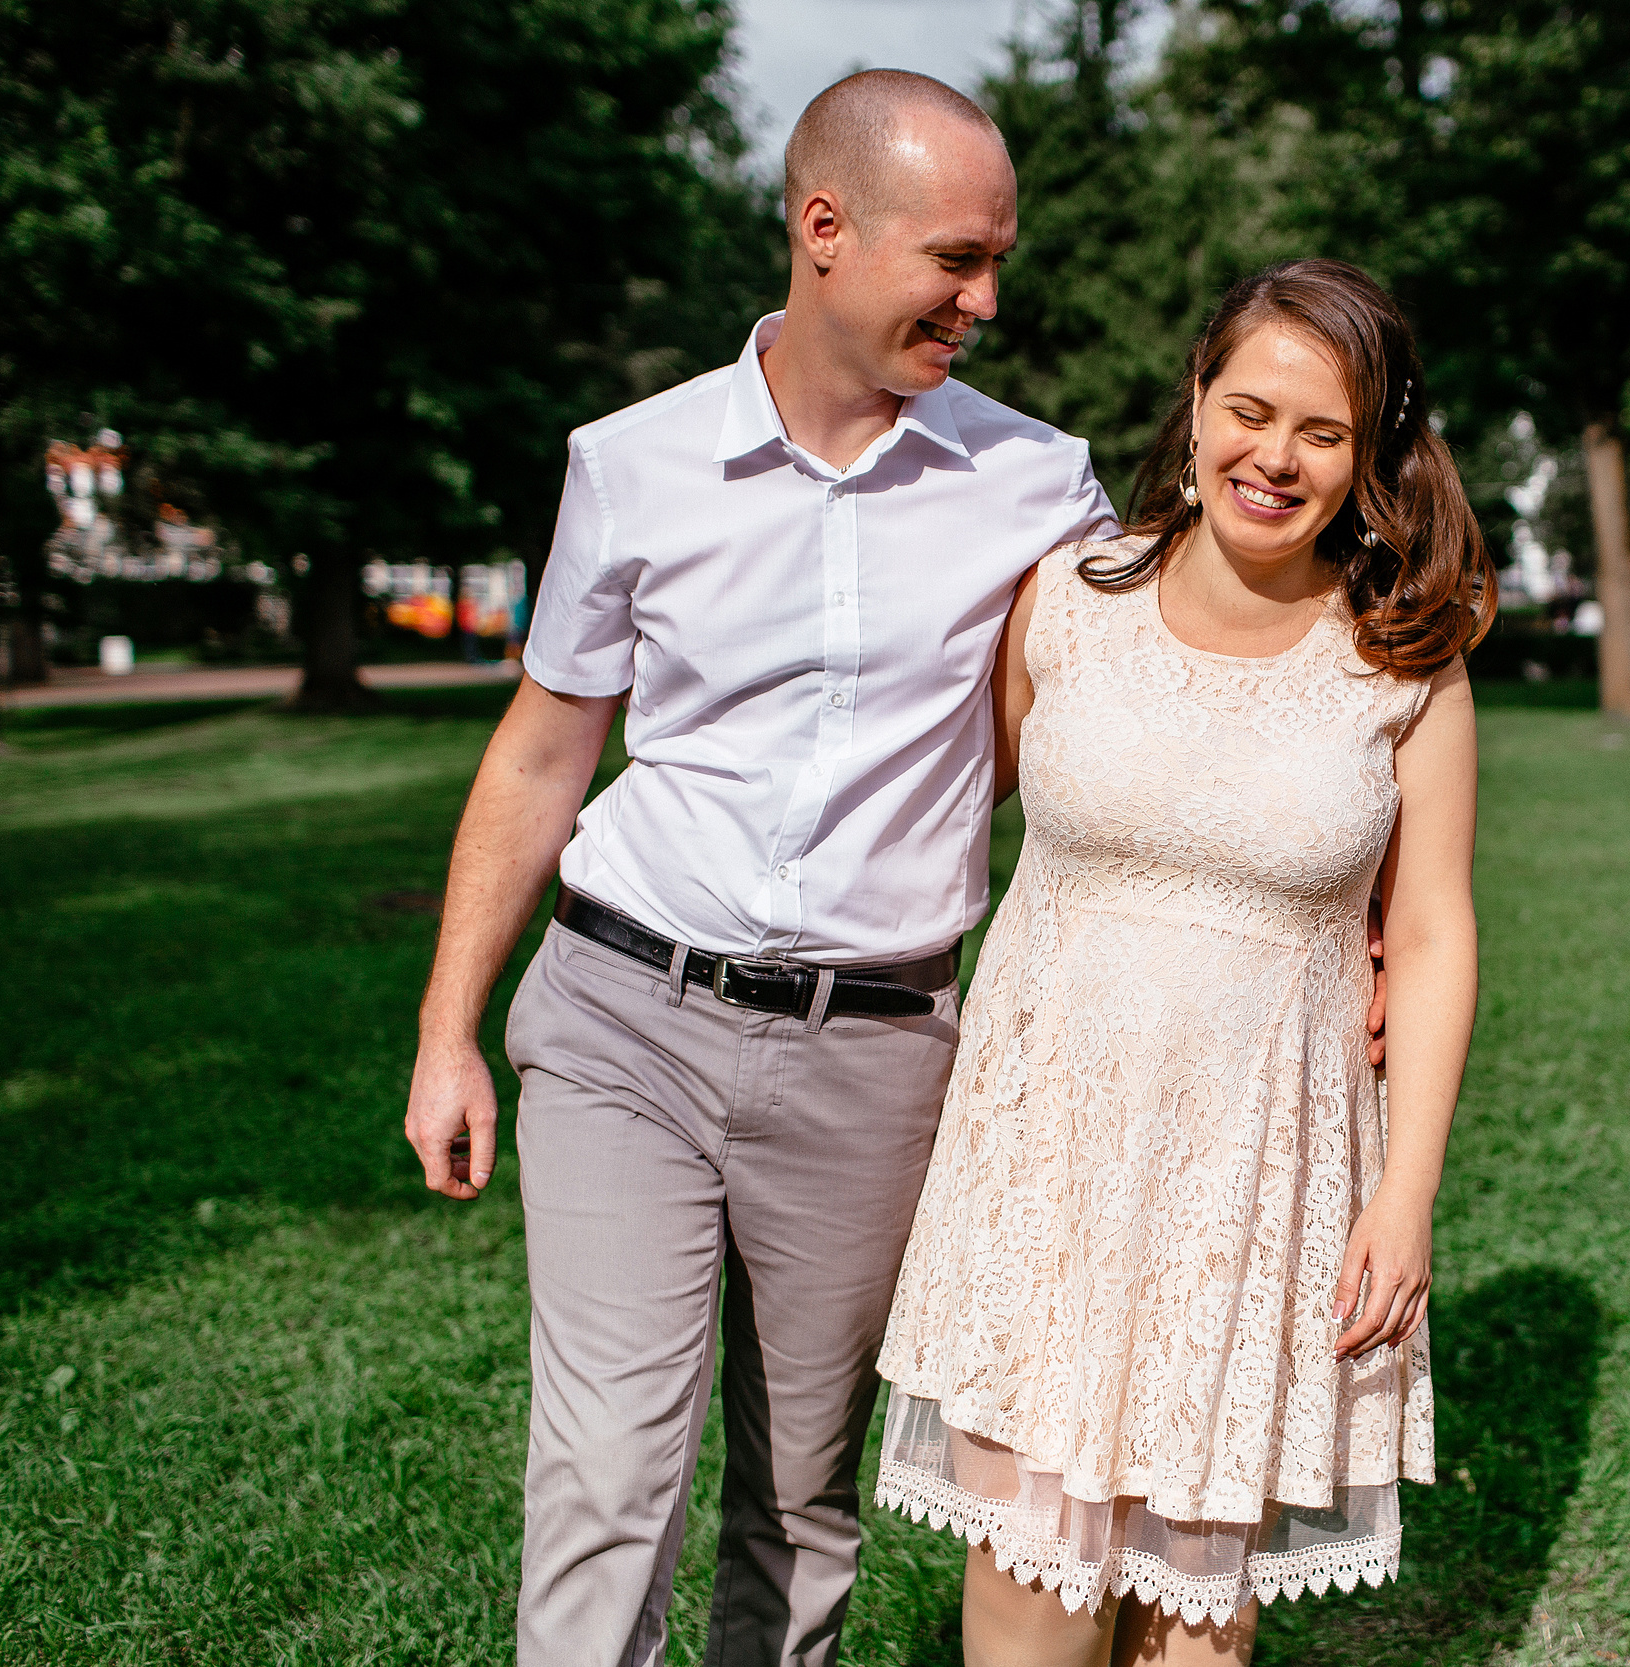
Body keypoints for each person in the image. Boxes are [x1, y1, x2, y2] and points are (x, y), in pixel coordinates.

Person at [401, 70, 1125, 1666]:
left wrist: (1350, 916)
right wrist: (452, 1027)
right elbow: (540, 752)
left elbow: (1138, 733)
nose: (984, 299)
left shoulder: (1038, 487)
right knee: (606, 1473)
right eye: (954, 258)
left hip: (876, 1055)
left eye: (995, 259)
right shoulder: (633, 463)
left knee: (800, 1497)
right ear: (823, 230)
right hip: (621, 1016)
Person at [875, 259, 1492, 1667]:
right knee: (1030, 1593)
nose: (1273, 458)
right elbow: (972, 811)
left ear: (1369, 453)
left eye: (1322, 433)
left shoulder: (1406, 660)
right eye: (1248, 410)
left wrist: (1409, 1195)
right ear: (1197, 402)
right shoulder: (1068, 599)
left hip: (1260, 1175)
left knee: (1199, 1623)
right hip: (1049, 1162)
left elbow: (1441, 926)